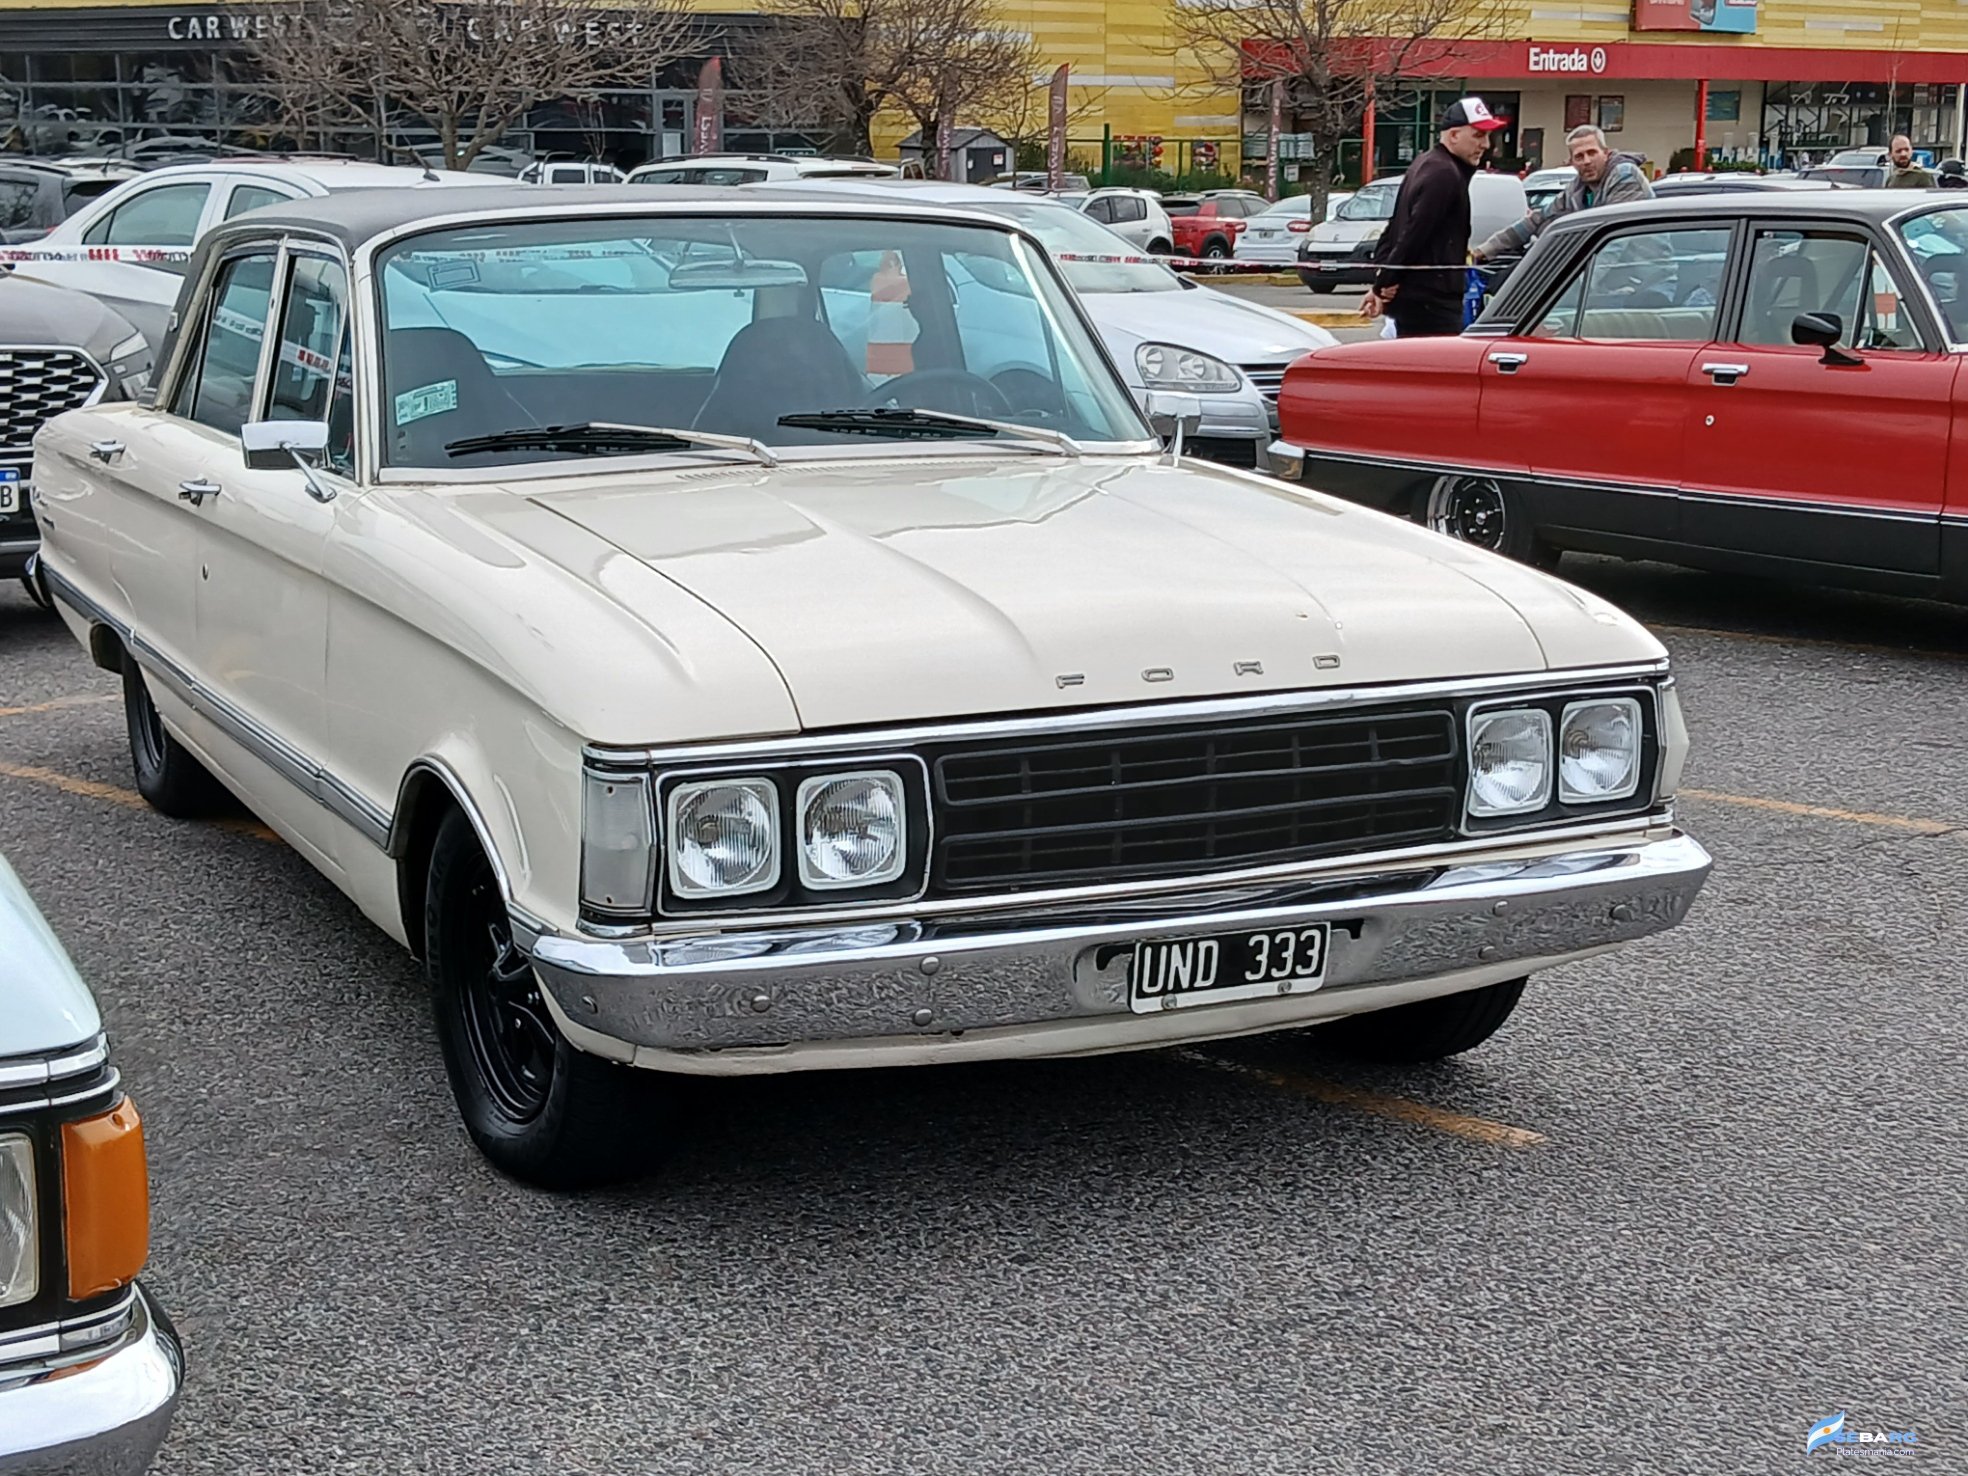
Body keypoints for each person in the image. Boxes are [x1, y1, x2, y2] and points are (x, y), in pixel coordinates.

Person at [1361, 96, 1504, 338]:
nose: (1486, 144)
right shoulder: (1443, 173)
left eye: (1487, 136)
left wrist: (1383, 279)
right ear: (1454, 135)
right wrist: (1384, 282)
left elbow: (1395, 228)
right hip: (1431, 303)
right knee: (1435, 372)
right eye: (1478, 135)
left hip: (1421, 299)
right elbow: (1413, 233)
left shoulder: (1427, 164)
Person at [1471, 125, 1652, 264]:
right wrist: (1482, 251)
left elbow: (1612, 239)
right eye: (1579, 157)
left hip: (1646, 279)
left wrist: (1579, 286)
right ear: (1571, 161)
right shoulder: (1577, 189)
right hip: (1614, 279)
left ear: (1606, 153)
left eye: (1592, 153)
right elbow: (1536, 221)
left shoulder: (1625, 176)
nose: (1586, 161)